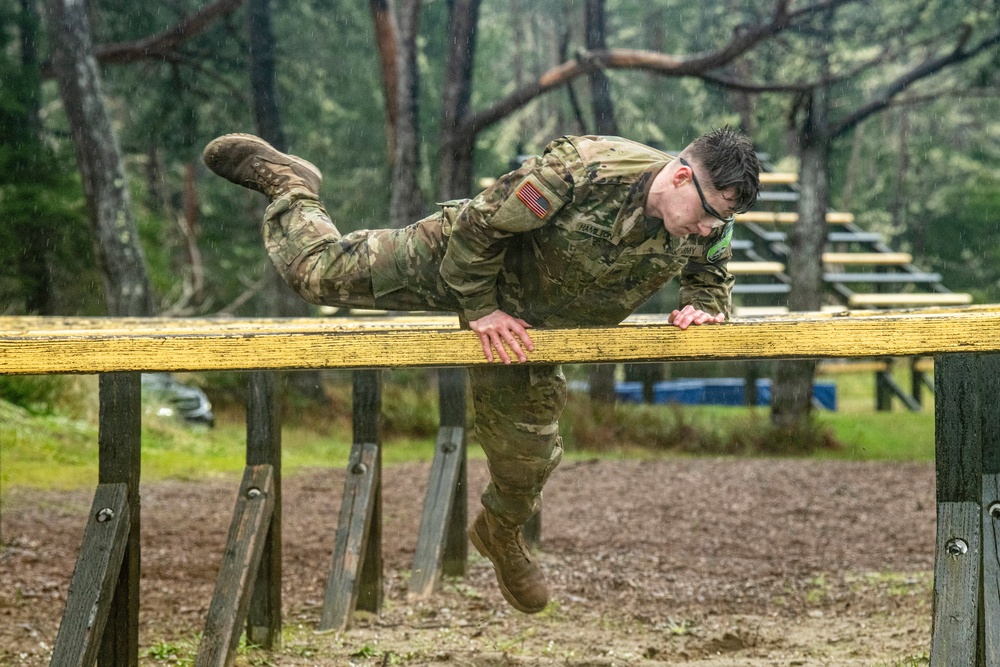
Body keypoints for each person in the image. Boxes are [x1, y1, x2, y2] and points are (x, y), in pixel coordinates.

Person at [202, 129, 761, 614]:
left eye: (724, 220)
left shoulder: (709, 223)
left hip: (531, 328)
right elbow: (479, 229)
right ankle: (290, 184)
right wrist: (479, 310)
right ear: (682, 178)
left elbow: (711, 272)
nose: (712, 229)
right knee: (315, 274)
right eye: (711, 214)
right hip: (459, 265)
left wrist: (706, 305)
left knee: (528, 463)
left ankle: (499, 531)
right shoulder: (582, 169)